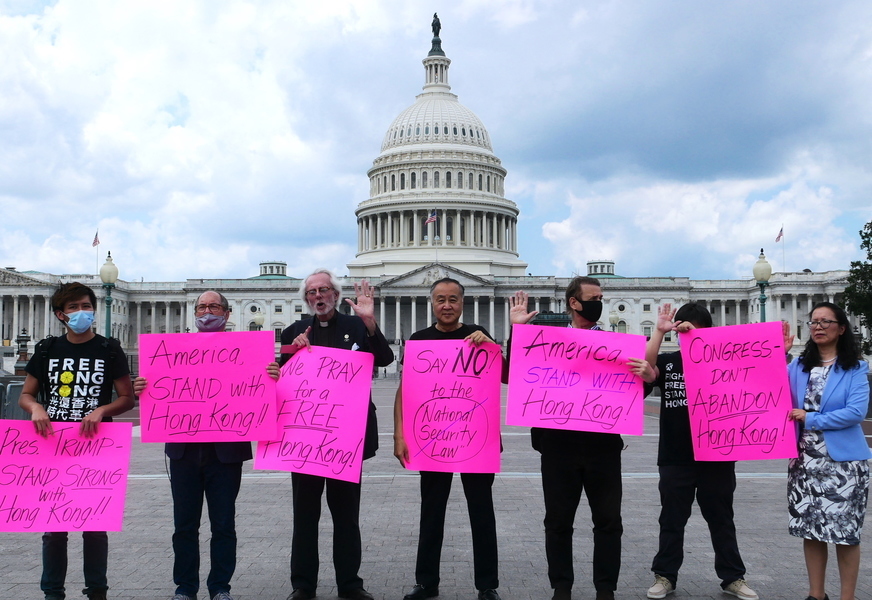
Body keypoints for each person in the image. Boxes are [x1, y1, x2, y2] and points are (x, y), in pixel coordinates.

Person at [133, 290, 280, 600]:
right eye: (201, 307)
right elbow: (158, 389)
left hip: (226, 452)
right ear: (194, 313)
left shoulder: (247, 351)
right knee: (184, 525)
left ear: (226, 314)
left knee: (223, 524)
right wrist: (143, 386)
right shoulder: (173, 351)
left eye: (214, 306)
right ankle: (185, 588)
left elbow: (262, 395)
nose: (207, 311)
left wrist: (273, 378)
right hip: (183, 451)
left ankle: (219, 587)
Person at [627, 303, 758, 600]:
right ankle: (665, 576)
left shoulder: (723, 362)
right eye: (683, 327)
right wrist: (659, 332)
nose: (688, 334)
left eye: (695, 328)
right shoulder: (670, 361)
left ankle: (733, 577)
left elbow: (756, 371)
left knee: (722, 518)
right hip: (676, 453)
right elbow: (646, 372)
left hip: (717, 452)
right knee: (672, 519)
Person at [279, 269, 394, 600]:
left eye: (324, 290)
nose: (318, 296)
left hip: (346, 438)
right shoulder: (294, 331)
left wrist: (370, 322)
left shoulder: (357, 326)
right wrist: (291, 354)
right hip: (305, 438)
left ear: (335, 295)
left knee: (346, 515)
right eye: (313, 291)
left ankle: (350, 583)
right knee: (305, 515)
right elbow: (278, 380)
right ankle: (303, 585)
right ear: (306, 298)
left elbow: (384, 359)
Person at [18, 282, 134, 600]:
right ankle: (52, 591)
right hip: (53, 445)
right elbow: (26, 394)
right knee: (54, 529)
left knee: (95, 527)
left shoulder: (109, 349)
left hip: (96, 445)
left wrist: (102, 410)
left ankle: (97, 589)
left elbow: (127, 399)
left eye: (86, 305)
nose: (82, 312)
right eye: (73, 307)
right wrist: (37, 407)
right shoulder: (46, 349)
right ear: (60, 314)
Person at [508, 277, 622, 600]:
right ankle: (561, 586)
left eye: (600, 297)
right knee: (557, 522)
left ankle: (605, 588)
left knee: (609, 521)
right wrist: (517, 332)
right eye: (593, 297)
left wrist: (643, 371)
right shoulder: (546, 341)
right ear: (574, 302)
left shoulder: (615, 344)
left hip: (602, 446)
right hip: (558, 446)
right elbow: (515, 374)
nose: (598, 302)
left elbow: (635, 392)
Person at [394, 277, 502, 600]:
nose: (447, 305)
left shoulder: (479, 337)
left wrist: (491, 347)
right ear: (432, 303)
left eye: (453, 299)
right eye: (441, 299)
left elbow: (505, 376)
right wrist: (399, 434)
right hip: (433, 440)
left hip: (475, 440)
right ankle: (426, 581)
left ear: (462, 303)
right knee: (431, 513)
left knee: (482, 514)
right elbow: (406, 390)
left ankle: (487, 585)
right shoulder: (419, 339)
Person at [785, 302, 870, 600]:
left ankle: (847, 596)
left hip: (845, 465)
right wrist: (780, 352)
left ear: (841, 328)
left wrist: (811, 418)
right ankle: (816, 594)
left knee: (846, 533)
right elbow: (768, 386)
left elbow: (855, 413)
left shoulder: (856, 368)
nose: (818, 326)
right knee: (811, 529)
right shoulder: (797, 366)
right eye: (814, 322)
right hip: (804, 461)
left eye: (826, 321)